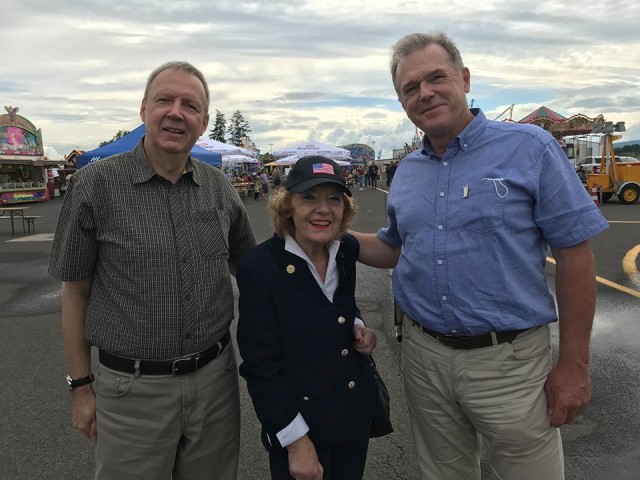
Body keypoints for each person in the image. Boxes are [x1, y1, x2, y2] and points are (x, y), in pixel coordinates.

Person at [351, 32, 609, 480]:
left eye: (436, 78)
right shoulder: (408, 171)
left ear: (464, 79)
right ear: (402, 103)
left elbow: (575, 256)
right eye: (410, 88)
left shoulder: (530, 148)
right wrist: (330, 236)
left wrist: (573, 366)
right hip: (423, 357)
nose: (425, 93)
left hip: (509, 363)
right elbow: (393, 248)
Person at [48, 61, 256, 480]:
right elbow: (75, 294)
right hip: (130, 393)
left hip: (215, 385)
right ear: (144, 109)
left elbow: (249, 268)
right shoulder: (96, 184)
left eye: (190, 105)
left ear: (203, 121)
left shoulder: (219, 187)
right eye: (165, 100)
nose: (176, 112)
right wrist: (81, 387)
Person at [236, 155, 379, 480]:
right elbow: (260, 369)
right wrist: (297, 442)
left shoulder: (343, 251)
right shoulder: (260, 268)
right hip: (300, 427)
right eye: (309, 197)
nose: (323, 209)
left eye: (334, 199)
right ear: (288, 205)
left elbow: (338, 309)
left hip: (350, 418)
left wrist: (357, 327)